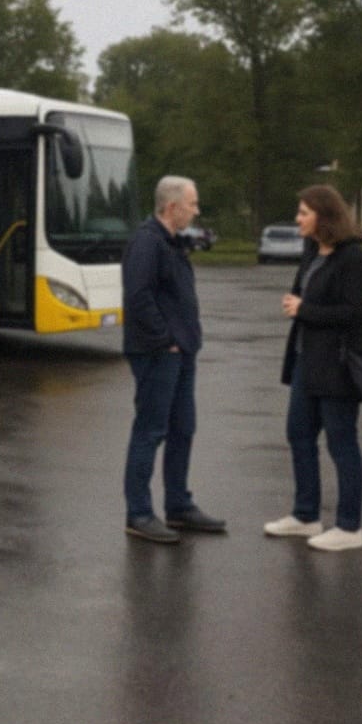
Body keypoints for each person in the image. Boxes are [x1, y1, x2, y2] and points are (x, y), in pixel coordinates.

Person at [265, 184, 362, 552]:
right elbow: (304, 299)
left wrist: (303, 309)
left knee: (342, 444)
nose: (297, 219)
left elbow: (355, 314)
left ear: (323, 216)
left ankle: (349, 526)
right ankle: (305, 515)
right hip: (305, 364)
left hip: (338, 368)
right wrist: (297, 304)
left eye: (303, 213)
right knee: (298, 436)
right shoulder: (312, 252)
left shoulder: (353, 259)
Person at [121, 175, 226, 543]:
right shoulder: (147, 243)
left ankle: (178, 505)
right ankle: (139, 513)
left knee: (183, 428)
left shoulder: (172, 243)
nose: (196, 211)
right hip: (157, 353)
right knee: (150, 430)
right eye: (192, 204)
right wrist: (165, 340)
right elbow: (138, 296)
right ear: (171, 207)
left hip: (181, 352)